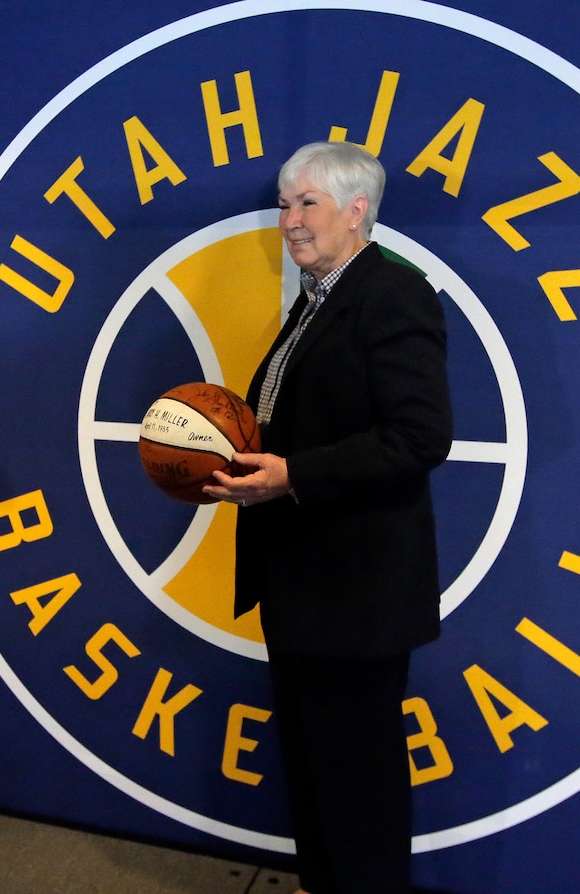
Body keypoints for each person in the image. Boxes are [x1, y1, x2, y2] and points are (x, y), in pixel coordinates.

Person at [203, 141, 453, 894]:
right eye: (284, 204)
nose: (290, 221)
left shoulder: (391, 293)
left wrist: (293, 476)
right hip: (305, 582)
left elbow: (419, 436)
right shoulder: (319, 298)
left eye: (307, 203)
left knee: (358, 783)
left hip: (358, 593)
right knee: (316, 772)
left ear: (357, 211)